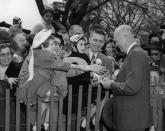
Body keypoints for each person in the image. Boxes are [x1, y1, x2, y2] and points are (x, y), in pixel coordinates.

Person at [17, 29, 106, 131]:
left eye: (58, 45)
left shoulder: (45, 57)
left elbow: (64, 70)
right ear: (42, 46)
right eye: (53, 45)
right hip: (35, 100)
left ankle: (43, 125)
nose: (56, 48)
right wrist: (86, 67)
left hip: (51, 102)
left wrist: (86, 69)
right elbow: (63, 65)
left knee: (47, 105)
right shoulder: (41, 57)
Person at [101, 25, 153, 131]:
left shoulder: (136, 54)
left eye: (116, 41)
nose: (116, 45)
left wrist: (111, 84)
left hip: (131, 120)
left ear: (125, 37)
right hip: (132, 118)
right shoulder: (136, 53)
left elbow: (132, 87)